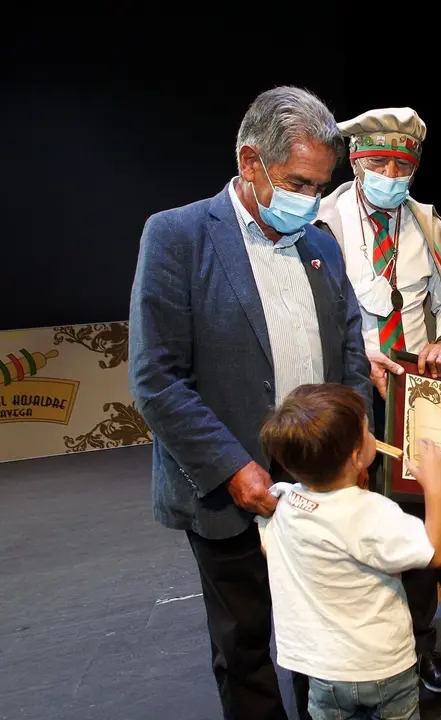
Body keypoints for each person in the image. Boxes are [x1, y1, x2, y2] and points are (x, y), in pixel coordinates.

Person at [129, 86, 374, 719]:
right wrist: (233, 468)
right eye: (298, 183)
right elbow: (157, 377)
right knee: (243, 648)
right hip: (227, 491)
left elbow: (349, 344)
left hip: (319, 487)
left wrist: (351, 433)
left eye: (320, 187)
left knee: (322, 643)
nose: (310, 201)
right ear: (250, 162)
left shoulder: (320, 244)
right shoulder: (177, 236)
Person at [315, 106, 441, 693]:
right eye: (380, 162)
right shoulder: (324, 222)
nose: (392, 173)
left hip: (419, 396)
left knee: (423, 519)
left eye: (403, 164)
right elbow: (321, 311)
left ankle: (422, 644)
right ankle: (363, 652)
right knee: (359, 526)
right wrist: (359, 356)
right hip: (354, 395)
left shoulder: (426, 222)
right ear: (356, 161)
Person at [256, 383, 441, 720]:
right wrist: (436, 486)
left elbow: (267, 544)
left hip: (323, 670)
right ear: (356, 455)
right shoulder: (373, 512)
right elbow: (437, 553)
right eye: (366, 428)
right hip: (384, 667)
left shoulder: (284, 501)